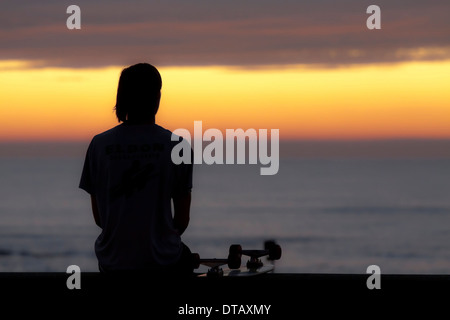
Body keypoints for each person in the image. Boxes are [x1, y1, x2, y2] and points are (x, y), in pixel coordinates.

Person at [79, 63, 194, 275]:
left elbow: (100, 219)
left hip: (112, 261)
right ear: (157, 98)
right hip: (162, 261)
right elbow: (181, 221)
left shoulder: (99, 145)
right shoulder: (177, 146)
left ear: (122, 97)